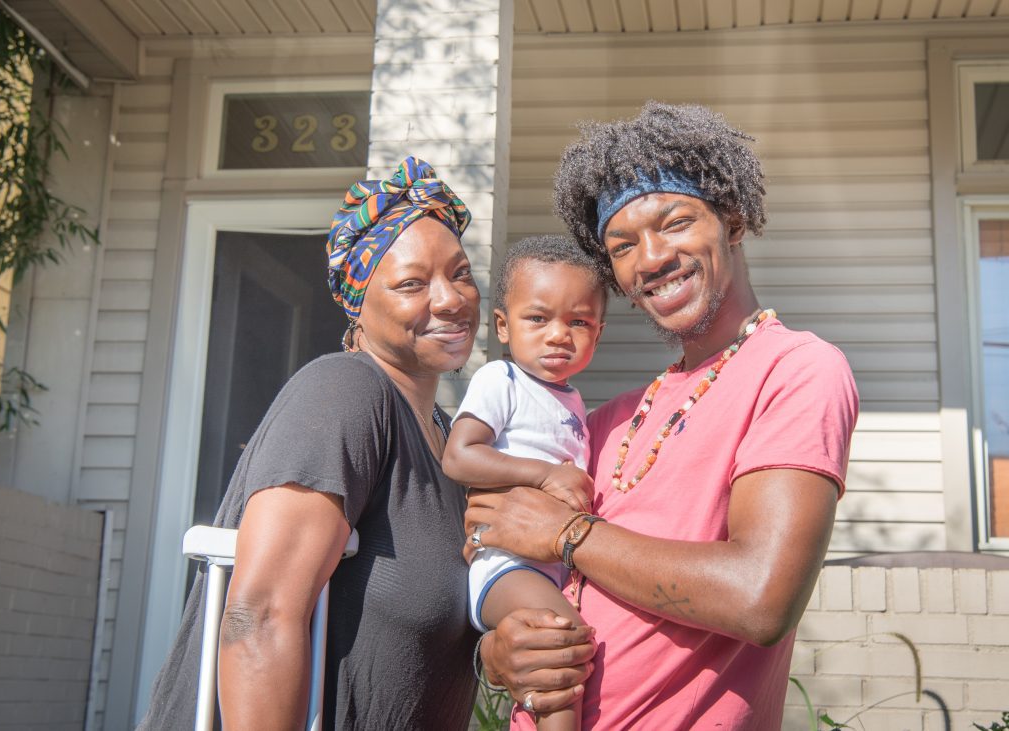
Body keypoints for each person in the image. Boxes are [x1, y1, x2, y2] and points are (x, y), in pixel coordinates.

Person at [469, 103, 860, 730]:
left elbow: (760, 597)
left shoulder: (794, 369)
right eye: (622, 246)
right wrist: (498, 652)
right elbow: (508, 548)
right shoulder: (604, 423)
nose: (649, 258)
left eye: (674, 222)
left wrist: (569, 532)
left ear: (731, 221)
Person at [137, 157, 482, 730]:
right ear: (358, 304)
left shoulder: (448, 438)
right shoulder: (344, 392)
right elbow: (260, 618)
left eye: (461, 272)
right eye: (412, 283)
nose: (449, 299)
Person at [442, 235, 607, 731]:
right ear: (504, 326)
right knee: (562, 644)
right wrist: (544, 474)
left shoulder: (574, 402)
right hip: (507, 565)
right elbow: (459, 455)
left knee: (564, 655)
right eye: (538, 318)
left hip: (551, 567)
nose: (559, 334)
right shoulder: (502, 380)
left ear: (597, 334)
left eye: (578, 322)